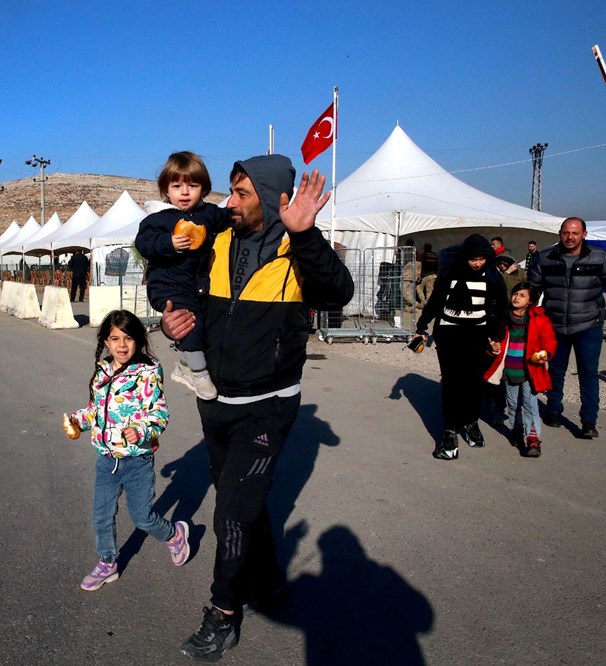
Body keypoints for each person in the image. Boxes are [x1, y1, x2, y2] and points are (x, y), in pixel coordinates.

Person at [161, 155, 354, 661]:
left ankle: (223, 613)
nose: (230, 201)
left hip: (267, 406)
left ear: (268, 198)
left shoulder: (298, 249)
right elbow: (178, 288)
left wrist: (307, 236)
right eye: (231, 190)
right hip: (215, 401)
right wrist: (171, 320)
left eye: (242, 192)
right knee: (241, 501)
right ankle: (266, 579)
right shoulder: (218, 239)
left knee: (232, 509)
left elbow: (340, 292)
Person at [64, 310, 190, 591]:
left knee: (143, 517)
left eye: (129, 338)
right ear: (106, 342)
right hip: (106, 460)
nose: (122, 345)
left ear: (139, 339)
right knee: (100, 516)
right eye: (115, 338)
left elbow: (159, 414)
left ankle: (174, 534)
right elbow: (97, 411)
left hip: (137, 461)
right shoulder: (103, 370)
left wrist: (142, 431)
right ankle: (107, 562)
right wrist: (78, 420)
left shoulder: (148, 370)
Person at [528, 217, 606, 438]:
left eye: (575, 233)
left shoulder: (600, 257)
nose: (570, 237)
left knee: (588, 374)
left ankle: (588, 421)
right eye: (566, 233)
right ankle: (554, 411)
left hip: (588, 325)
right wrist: (523, 319)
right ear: (560, 233)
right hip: (555, 325)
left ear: (584, 235)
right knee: (555, 371)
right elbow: (531, 291)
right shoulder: (544, 258)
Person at [135, 151, 230, 400]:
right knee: (189, 319)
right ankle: (198, 373)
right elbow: (144, 243)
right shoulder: (157, 219)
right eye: (177, 186)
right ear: (166, 190)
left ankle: (186, 364)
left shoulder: (208, 214)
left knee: (207, 323)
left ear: (205, 189)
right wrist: (168, 243)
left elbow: (229, 217)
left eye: (193, 185)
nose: (185, 192)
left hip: (198, 284)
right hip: (168, 284)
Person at [411, 234, 508, 460]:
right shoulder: (449, 274)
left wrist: (496, 335)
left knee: (474, 383)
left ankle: (471, 421)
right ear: (465, 257)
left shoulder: (493, 277)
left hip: (477, 335)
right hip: (450, 335)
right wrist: (422, 327)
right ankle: (450, 431)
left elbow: (500, 309)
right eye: (473, 259)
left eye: (481, 259)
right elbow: (435, 302)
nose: (477, 263)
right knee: (453, 383)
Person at [483, 281, 557, 457]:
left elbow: (550, 341)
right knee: (513, 404)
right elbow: (493, 341)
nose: (516, 297)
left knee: (530, 405)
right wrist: (493, 348)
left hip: (530, 372)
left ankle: (533, 439)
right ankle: (516, 429)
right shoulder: (503, 318)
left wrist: (546, 353)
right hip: (509, 371)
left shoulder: (539, 320)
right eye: (515, 293)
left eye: (522, 295)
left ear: (531, 301)